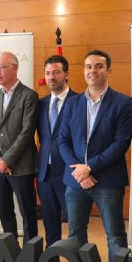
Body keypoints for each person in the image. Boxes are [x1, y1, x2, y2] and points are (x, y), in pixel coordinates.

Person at [59, 50, 132, 262]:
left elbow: (121, 143)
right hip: (75, 181)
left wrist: (90, 167)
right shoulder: (72, 103)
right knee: (75, 232)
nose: (93, 71)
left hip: (108, 180)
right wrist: (79, 171)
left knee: (114, 233)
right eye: (88, 66)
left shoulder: (123, 103)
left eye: (99, 66)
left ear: (108, 70)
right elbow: (63, 141)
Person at [0, 51, 39, 248]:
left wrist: (6, 160)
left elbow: (26, 132)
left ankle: (30, 256)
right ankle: (11, 254)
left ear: (14, 68)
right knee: (4, 211)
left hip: (21, 167)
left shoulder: (29, 96)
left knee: (27, 213)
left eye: (1, 67)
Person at [37, 55, 79, 252]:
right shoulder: (40, 104)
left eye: (56, 72)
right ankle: (51, 260)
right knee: (50, 222)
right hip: (45, 173)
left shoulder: (79, 101)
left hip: (69, 172)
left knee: (75, 224)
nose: (51, 77)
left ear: (66, 74)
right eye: (47, 73)